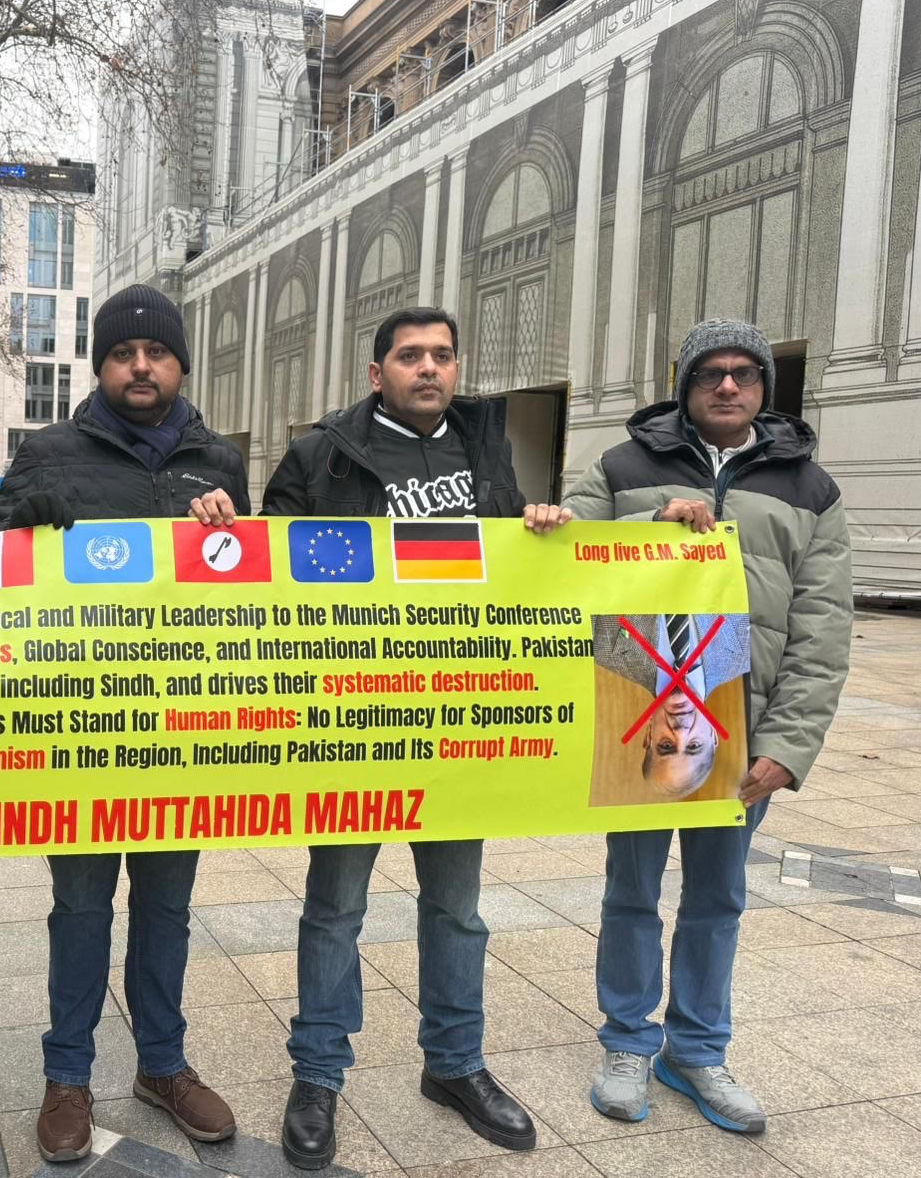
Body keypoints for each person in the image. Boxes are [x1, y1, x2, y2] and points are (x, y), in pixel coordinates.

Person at [0, 283, 249, 1163]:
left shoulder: (218, 461)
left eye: (156, 352)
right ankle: (66, 1077)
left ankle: (163, 1065)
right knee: (79, 904)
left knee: (168, 908)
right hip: (81, 730)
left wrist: (231, 536)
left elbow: (250, 589)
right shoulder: (50, 452)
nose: (140, 366)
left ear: (181, 363)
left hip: (184, 727)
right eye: (121, 353)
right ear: (101, 365)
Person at [259, 307, 568, 1169]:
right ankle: (318, 1074)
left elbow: (509, 566)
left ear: (456, 368)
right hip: (355, 720)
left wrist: (538, 532)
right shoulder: (321, 453)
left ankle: (456, 1065)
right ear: (376, 373)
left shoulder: (485, 445)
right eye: (409, 357)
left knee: (456, 909)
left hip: (456, 723)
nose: (427, 368)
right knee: (335, 908)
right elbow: (269, 578)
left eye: (441, 356)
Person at [565, 318, 852, 1133]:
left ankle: (695, 1051)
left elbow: (822, 630)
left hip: (742, 733)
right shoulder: (624, 466)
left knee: (717, 898)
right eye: (711, 373)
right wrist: (639, 532)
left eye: (745, 373)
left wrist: (787, 750)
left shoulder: (811, 489)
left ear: (764, 386)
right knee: (631, 891)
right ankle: (626, 1041)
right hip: (645, 720)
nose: (728, 386)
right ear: (685, 386)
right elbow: (559, 553)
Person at [591, 613, 752, 799]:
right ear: (713, 734)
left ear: (650, 734)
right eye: (694, 745)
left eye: (666, 745)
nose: (681, 731)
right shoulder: (748, 647)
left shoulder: (600, 645)